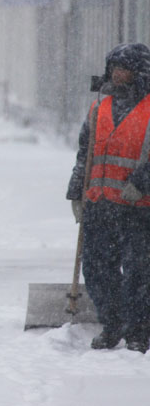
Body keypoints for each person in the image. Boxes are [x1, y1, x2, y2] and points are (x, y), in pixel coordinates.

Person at [67, 42, 150, 354]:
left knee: (139, 273)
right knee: (97, 269)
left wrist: (143, 181)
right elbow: (84, 155)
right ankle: (112, 325)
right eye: (113, 66)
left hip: (139, 207)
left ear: (139, 72)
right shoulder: (99, 107)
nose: (117, 73)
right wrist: (76, 192)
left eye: (124, 67)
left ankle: (139, 331)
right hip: (100, 203)